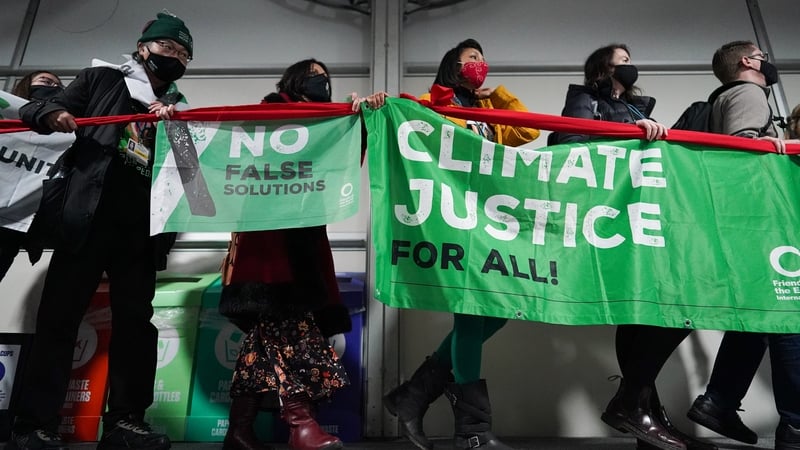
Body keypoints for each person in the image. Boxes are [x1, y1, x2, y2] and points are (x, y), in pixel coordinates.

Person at [8, 11, 192, 450]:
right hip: (87, 222)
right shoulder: (102, 79)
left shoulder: (180, 109)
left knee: (136, 325)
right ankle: (34, 425)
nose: (175, 57)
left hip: (142, 233)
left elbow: (191, 176)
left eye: (184, 54)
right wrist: (54, 113)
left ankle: (126, 423)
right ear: (143, 48)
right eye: (167, 47)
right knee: (59, 320)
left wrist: (177, 129)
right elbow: (37, 107)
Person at [219, 58, 386, 450]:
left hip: (303, 243)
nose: (321, 82)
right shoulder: (268, 116)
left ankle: (240, 430)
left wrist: (357, 121)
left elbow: (340, 167)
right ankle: (301, 425)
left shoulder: (325, 121)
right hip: (270, 246)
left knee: (266, 337)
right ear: (293, 81)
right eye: (313, 76)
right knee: (292, 332)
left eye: (326, 77)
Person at [548, 44, 709, 450]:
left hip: (640, 216)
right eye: (623, 60)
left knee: (651, 311)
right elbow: (570, 146)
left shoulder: (636, 108)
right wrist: (632, 135)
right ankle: (635, 405)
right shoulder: (585, 100)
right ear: (603, 68)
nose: (630, 65)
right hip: (610, 218)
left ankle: (642, 411)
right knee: (648, 309)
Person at [382, 38, 539, 450]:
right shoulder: (433, 103)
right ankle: (472, 430)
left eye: (484, 58)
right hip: (452, 218)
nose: (480, 63)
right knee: (472, 313)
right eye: (472, 57)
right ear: (453, 64)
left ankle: (412, 395)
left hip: (489, 220)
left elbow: (528, 129)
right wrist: (376, 104)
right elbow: (402, 122)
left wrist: (497, 95)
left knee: (498, 313)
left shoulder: (489, 112)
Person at [684, 41, 800, 450]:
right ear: (748, 62)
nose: (767, 62)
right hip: (761, 221)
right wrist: (775, 151)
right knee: (788, 316)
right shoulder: (750, 93)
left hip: (748, 223)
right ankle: (795, 424)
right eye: (761, 56)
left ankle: (719, 401)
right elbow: (741, 151)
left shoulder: (728, 97)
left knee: (762, 315)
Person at [0, 71, 65, 281]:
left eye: (58, 85)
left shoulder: (66, 126)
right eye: (46, 81)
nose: (53, 87)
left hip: (12, 229)